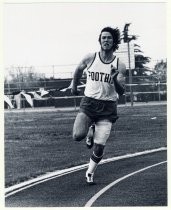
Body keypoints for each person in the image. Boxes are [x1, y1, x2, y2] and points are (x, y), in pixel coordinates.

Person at [71, 26, 126, 184]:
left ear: (114, 41)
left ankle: (89, 172)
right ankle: (90, 129)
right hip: (89, 103)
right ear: (100, 40)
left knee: (100, 145)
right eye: (103, 38)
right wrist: (74, 86)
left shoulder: (119, 64)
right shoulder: (90, 57)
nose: (106, 40)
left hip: (107, 107)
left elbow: (121, 92)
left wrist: (115, 79)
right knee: (77, 136)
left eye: (109, 38)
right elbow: (78, 70)